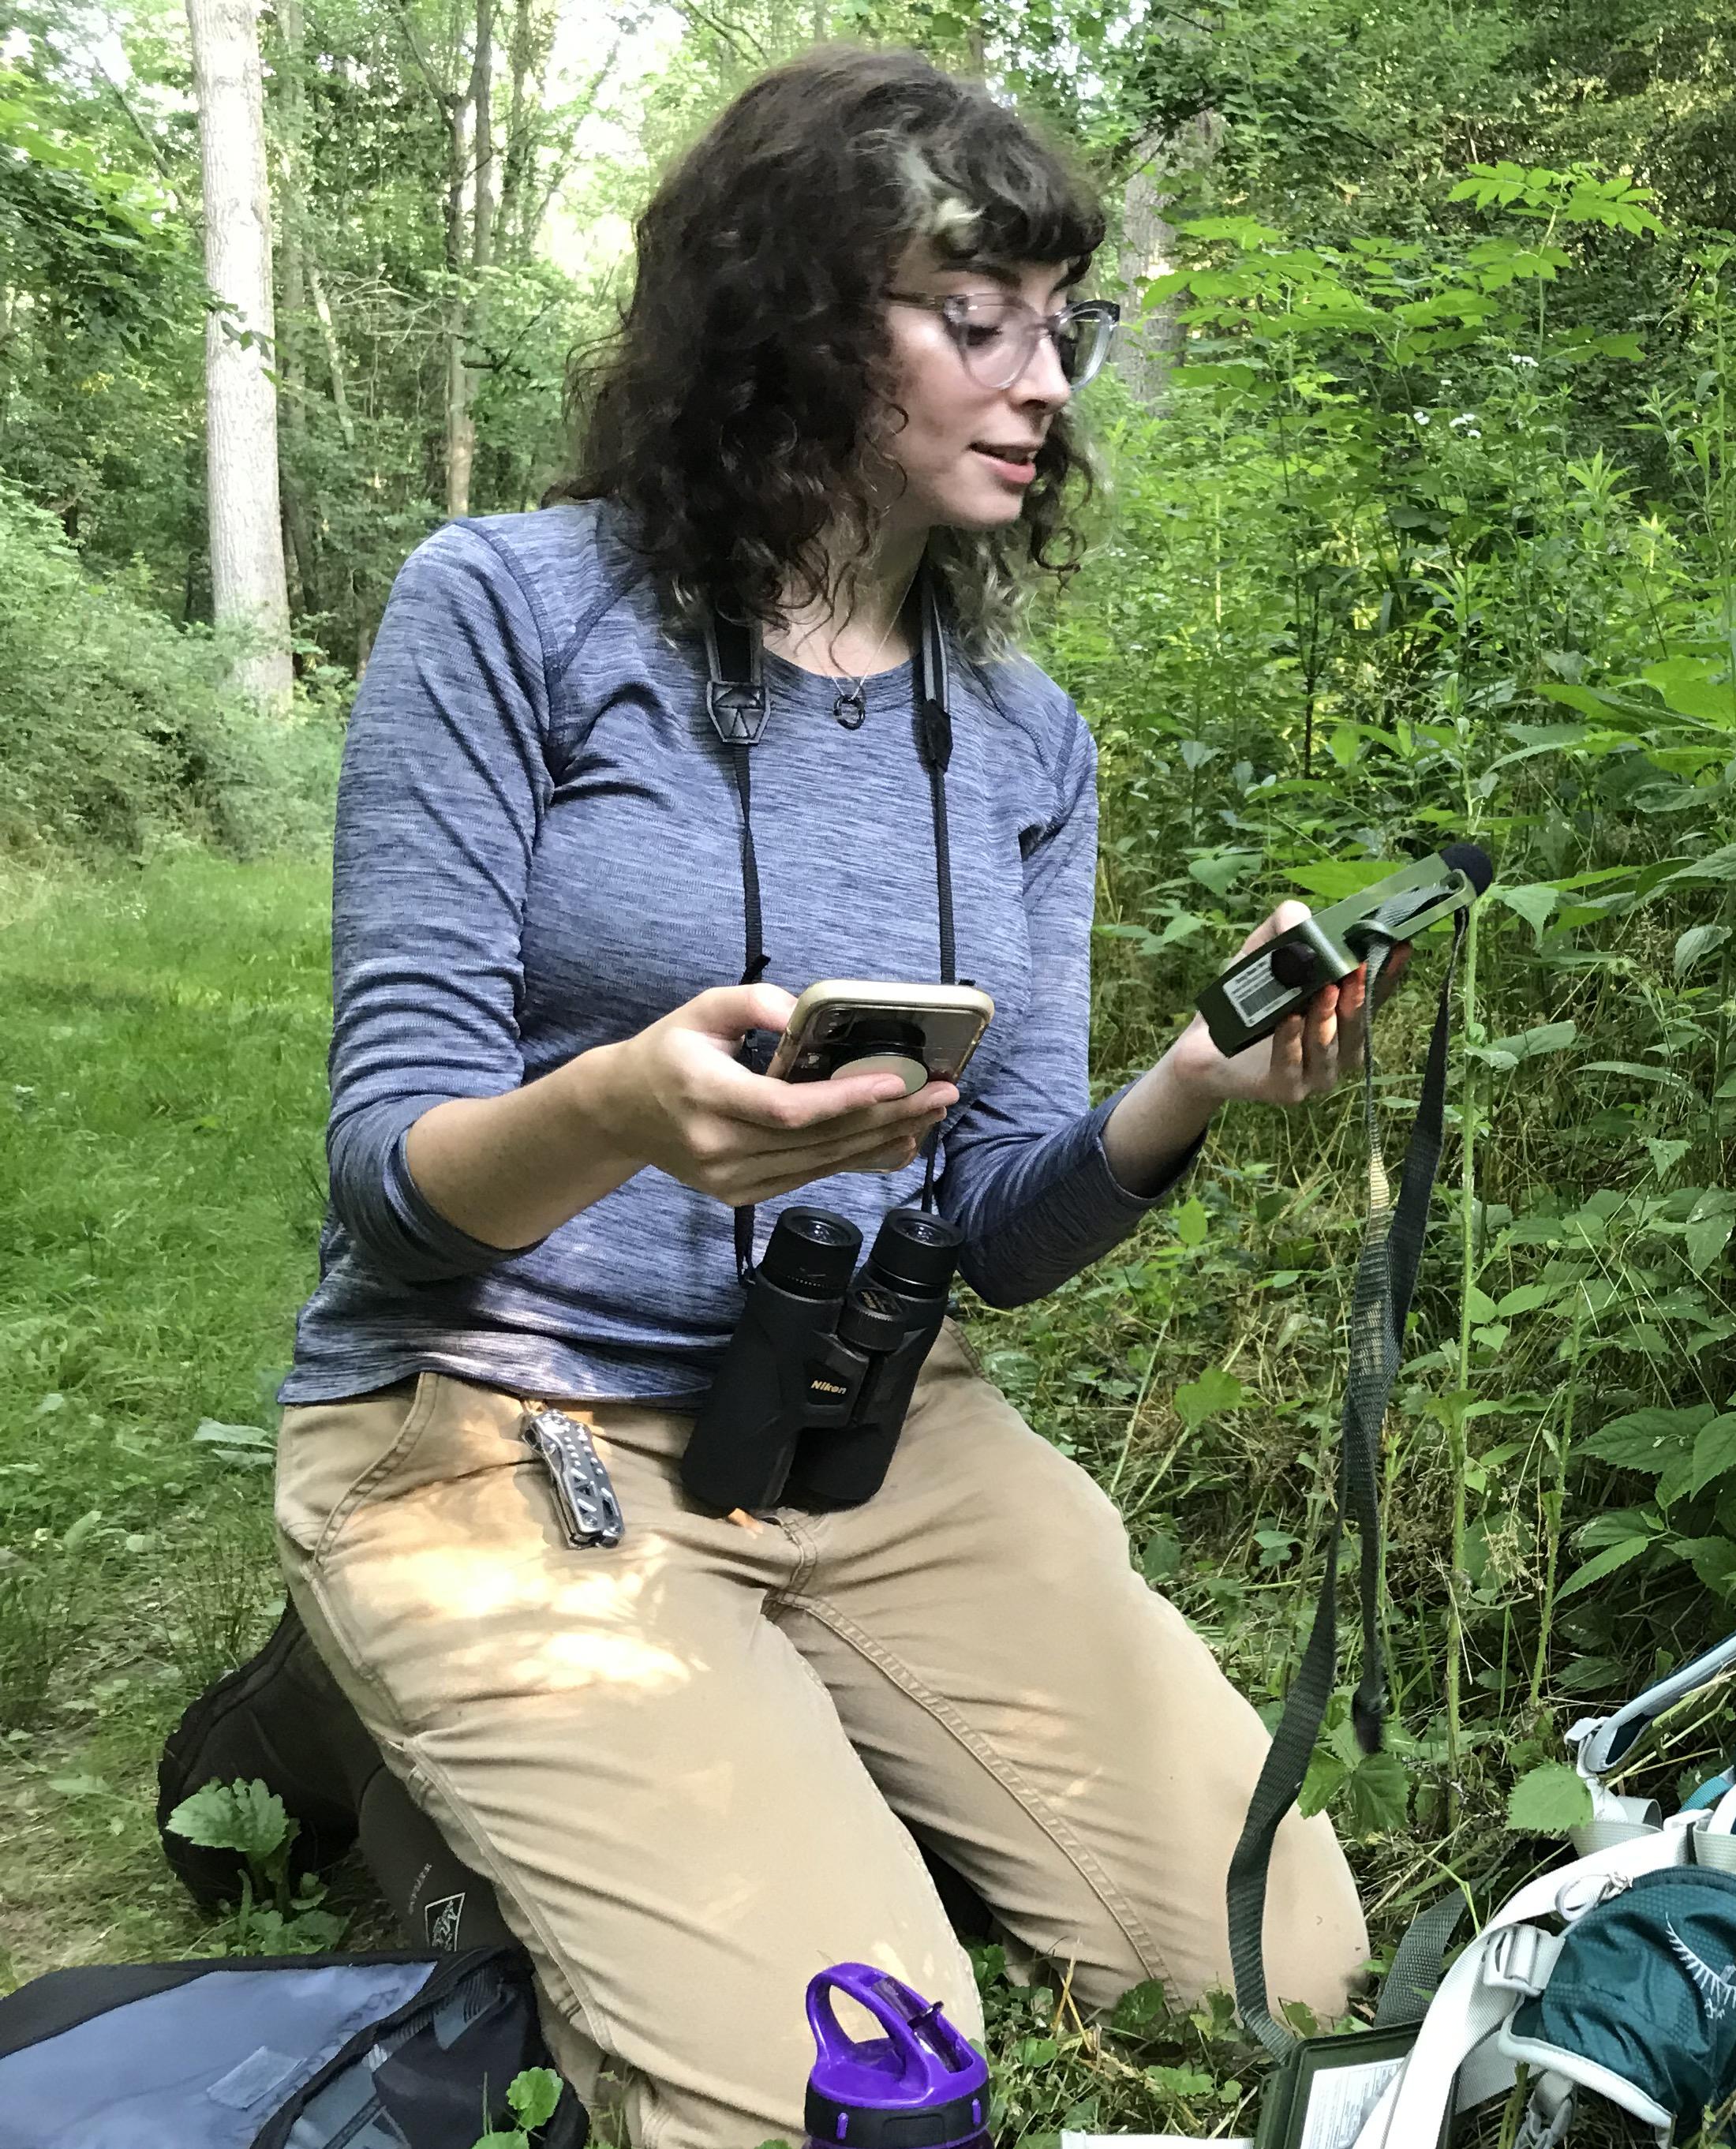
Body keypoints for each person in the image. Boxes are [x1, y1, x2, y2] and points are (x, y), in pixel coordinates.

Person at [270, 45, 1367, 2147]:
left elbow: (1004, 1241)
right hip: (506, 1434)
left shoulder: (1026, 739)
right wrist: (623, 1113)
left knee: (1280, 1958)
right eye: (976, 322)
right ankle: (405, 1735)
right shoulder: (501, 612)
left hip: (871, 1425)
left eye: (1064, 328)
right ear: (786, 319)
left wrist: (1190, 1088)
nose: (1046, 381)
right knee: (851, 2084)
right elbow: (390, 1180)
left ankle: (761, 1774)